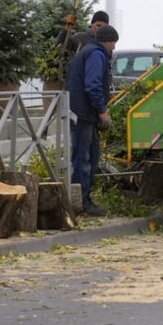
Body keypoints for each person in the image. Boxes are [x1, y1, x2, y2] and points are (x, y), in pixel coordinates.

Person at [67, 23, 119, 215]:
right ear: (108, 41)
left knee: (91, 155)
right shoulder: (97, 54)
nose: (114, 48)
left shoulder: (89, 51)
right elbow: (93, 85)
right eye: (114, 43)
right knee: (83, 158)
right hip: (84, 114)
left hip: (82, 113)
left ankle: (83, 199)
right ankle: (81, 203)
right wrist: (102, 111)